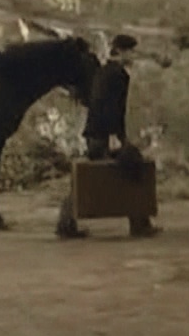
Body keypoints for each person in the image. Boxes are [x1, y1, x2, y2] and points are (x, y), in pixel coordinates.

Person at [55, 34, 162, 239]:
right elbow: (111, 108)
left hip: (97, 133)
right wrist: (116, 137)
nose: (132, 55)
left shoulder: (104, 71)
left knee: (93, 175)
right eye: (130, 51)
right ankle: (139, 222)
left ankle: (66, 222)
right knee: (132, 166)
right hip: (104, 134)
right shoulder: (117, 74)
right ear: (120, 51)